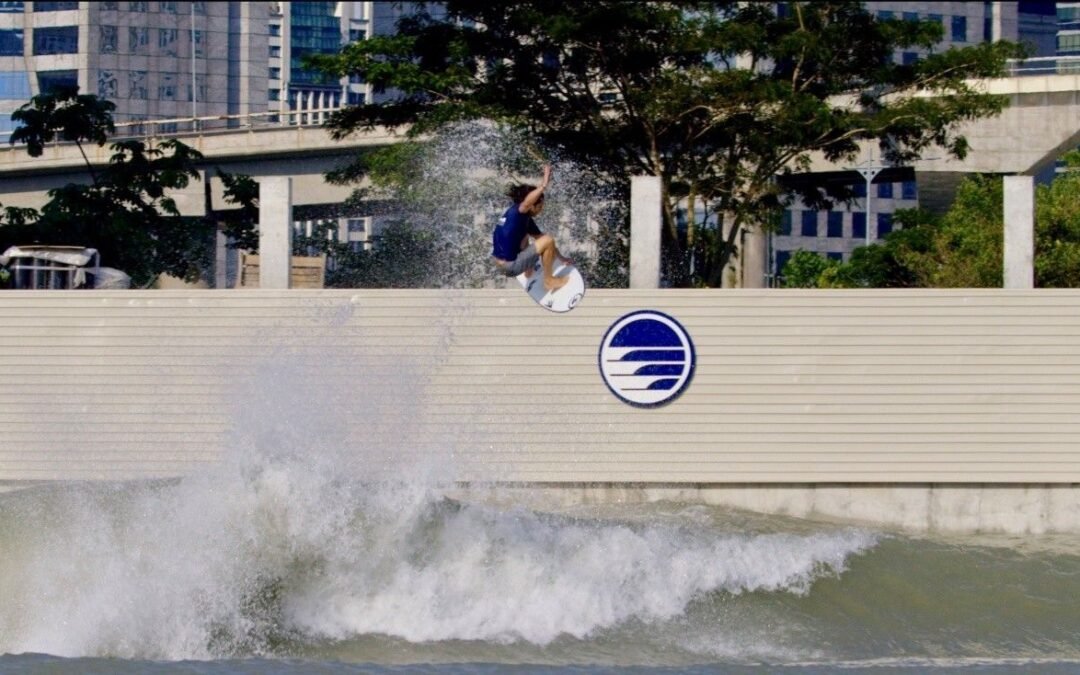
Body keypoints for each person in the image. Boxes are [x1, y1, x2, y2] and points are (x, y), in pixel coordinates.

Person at [491, 164, 570, 292]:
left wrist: (561, 257)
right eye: (540, 206)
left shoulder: (520, 219)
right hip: (511, 265)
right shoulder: (517, 212)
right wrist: (544, 184)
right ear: (532, 205)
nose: (541, 210)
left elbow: (542, 239)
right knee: (548, 239)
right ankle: (549, 281)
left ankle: (528, 270)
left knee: (531, 238)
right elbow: (527, 203)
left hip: (499, 263)